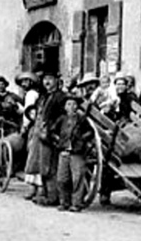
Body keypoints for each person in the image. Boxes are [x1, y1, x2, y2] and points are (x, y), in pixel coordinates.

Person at [52, 95, 93, 212]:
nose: (72, 107)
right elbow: (52, 131)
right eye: (69, 104)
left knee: (77, 178)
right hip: (64, 152)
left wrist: (81, 139)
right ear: (65, 107)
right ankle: (64, 202)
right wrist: (58, 141)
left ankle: (76, 203)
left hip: (77, 152)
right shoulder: (61, 119)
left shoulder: (82, 119)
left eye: (74, 104)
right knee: (62, 179)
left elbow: (90, 132)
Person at [35, 68, 68, 207]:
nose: (47, 82)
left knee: (51, 167)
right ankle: (46, 193)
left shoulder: (61, 97)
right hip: (43, 135)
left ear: (56, 81)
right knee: (43, 166)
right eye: (45, 79)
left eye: (50, 79)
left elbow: (63, 116)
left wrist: (53, 129)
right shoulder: (44, 97)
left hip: (53, 136)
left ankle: (53, 197)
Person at [16, 71, 42, 200]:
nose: (24, 84)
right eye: (22, 82)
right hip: (36, 124)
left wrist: (24, 127)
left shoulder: (31, 94)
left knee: (32, 154)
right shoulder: (36, 93)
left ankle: (33, 188)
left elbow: (28, 112)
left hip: (33, 126)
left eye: (26, 81)